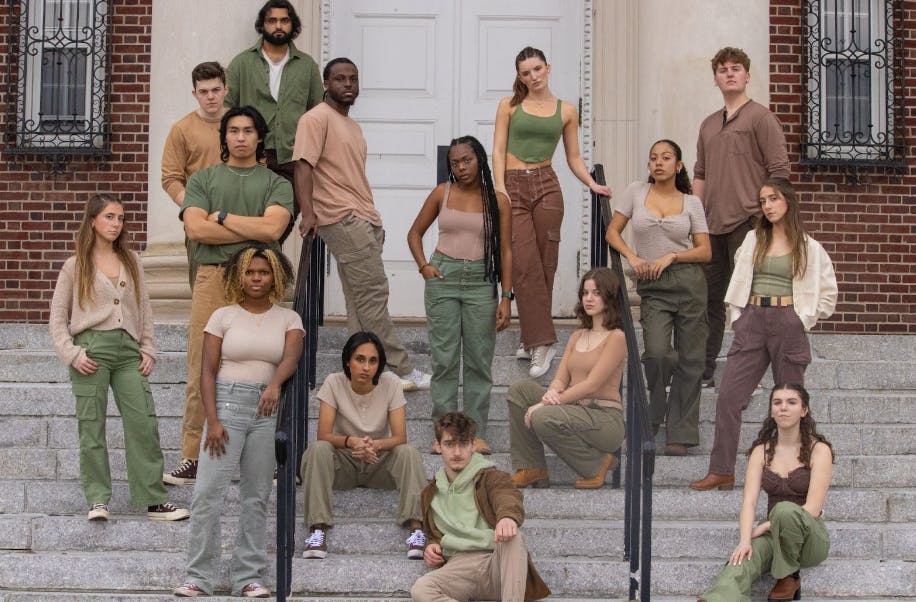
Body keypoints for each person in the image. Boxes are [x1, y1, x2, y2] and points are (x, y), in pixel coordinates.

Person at [164, 106, 294, 486]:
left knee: (265, 364)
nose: (240, 137)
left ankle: (265, 455)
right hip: (213, 278)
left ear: (259, 137)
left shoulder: (276, 184)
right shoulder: (203, 179)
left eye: (248, 131)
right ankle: (192, 455)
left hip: (260, 279)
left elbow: (273, 229)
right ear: (224, 137)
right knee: (201, 365)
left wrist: (220, 217)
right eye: (233, 130)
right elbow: (196, 230)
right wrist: (248, 231)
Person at [690, 178, 837, 492]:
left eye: (774, 199)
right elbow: (738, 280)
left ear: (788, 202)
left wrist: (802, 319)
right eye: (764, 201)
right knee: (728, 396)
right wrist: (739, 318)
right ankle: (722, 470)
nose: (768, 206)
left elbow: (828, 295)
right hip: (753, 321)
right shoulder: (752, 240)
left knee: (791, 401)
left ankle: (797, 469)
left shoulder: (809, 247)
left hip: (789, 322)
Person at [48, 194, 189, 523]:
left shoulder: (131, 260)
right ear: (93, 220)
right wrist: (71, 354)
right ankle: (98, 499)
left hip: (128, 352)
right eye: (109, 217)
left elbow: (145, 310)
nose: (116, 224)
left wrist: (149, 348)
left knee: (143, 423)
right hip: (91, 351)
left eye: (120, 218)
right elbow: (57, 319)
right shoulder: (75, 265)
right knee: (91, 427)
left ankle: (153, 499)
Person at [292, 57, 430, 391]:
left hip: (362, 217)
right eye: (340, 78)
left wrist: (373, 221)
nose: (348, 84)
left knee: (358, 301)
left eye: (353, 78)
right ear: (326, 84)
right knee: (373, 294)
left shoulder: (351, 125)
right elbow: (302, 166)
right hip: (340, 217)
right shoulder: (315, 118)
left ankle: (364, 367)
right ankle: (401, 367)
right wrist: (308, 212)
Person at [173, 245, 303, 598]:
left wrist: (275, 384)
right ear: (238, 276)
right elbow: (206, 371)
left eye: (263, 272)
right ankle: (199, 577)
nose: (256, 278)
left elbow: (291, 357)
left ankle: (248, 576)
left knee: (256, 496)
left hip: (265, 409)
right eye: (249, 272)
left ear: (274, 275)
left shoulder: (289, 319)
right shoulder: (222, 316)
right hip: (225, 408)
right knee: (206, 494)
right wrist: (212, 420)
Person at [492, 46, 611, 378]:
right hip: (513, 184)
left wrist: (592, 184)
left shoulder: (566, 110)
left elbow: (573, 156)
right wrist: (499, 187)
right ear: (520, 77)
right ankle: (542, 342)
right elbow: (498, 149)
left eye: (537, 69)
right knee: (525, 263)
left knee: (546, 262)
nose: (533, 77)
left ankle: (533, 338)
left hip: (547, 184)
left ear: (548, 68)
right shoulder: (509, 106)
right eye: (526, 73)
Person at [407, 135, 513, 454]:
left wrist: (506, 296)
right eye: (455, 162)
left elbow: (506, 250)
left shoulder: (498, 200)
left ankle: (475, 433)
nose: (461, 167)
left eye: (467, 160)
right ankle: (445, 434)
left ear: (479, 159)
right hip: (443, 277)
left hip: (482, 281)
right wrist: (423, 266)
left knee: (480, 360)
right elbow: (414, 233)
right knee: (445, 360)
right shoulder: (443, 192)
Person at [605, 139, 711, 456]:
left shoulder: (691, 203)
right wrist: (632, 258)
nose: (658, 163)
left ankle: (680, 432)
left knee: (691, 359)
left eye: (666, 158)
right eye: (653, 158)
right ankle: (658, 405)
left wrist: (674, 258)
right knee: (656, 352)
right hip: (653, 286)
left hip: (689, 282)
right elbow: (613, 232)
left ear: (678, 166)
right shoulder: (637, 191)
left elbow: (705, 251)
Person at [693, 46, 790, 388]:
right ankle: (704, 372)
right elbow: (700, 174)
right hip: (712, 227)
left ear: (747, 75)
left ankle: (745, 372)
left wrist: (770, 219)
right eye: (723, 70)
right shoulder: (707, 124)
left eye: (736, 68)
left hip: (749, 223)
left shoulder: (761, 118)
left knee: (748, 303)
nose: (730, 73)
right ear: (716, 78)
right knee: (709, 303)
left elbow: (779, 171)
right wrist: (695, 220)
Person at [697, 384, 833, 602]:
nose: (783, 408)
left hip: (810, 538)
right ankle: (719, 598)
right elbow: (749, 503)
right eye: (777, 402)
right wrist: (744, 540)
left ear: (804, 410)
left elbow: (813, 508)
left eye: (791, 402)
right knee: (741, 561)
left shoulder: (819, 450)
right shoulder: (761, 451)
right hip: (775, 536)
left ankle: (788, 575)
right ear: (771, 410)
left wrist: (765, 525)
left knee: (783, 511)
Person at [299, 331, 428, 560]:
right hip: (344, 462)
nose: (366, 367)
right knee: (318, 450)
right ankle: (318, 530)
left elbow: (400, 437)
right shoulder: (334, 382)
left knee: (409, 453)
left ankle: (417, 529)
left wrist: (375, 445)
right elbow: (323, 434)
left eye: (373, 361)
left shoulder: (390, 383)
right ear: (348, 361)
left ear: (379, 365)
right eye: (360, 359)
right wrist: (351, 442)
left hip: (378, 461)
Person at [506, 267, 627, 490]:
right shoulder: (577, 336)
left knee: (543, 417)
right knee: (519, 390)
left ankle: (596, 465)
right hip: (574, 409)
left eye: (596, 293)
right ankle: (532, 467)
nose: (589, 298)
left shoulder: (617, 337)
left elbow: (592, 385)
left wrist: (545, 403)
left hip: (604, 419)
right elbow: (561, 379)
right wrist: (552, 392)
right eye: (585, 292)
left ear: (609, 296)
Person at [411, 412, 551, 602]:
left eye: (463, 443)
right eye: (449, 444)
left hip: (495, 564)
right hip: (457, 568)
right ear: (438, 446)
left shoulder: (491, 477)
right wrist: (431, 546)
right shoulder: (430, 492)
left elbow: (507, 494)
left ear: (473, 445)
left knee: (514, 537)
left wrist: (507, 517)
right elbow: (433, 534)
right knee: (421, 589)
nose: (457, 452)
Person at [225, 0, 323, 205]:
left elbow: (319, 112)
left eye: (284, 20)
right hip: (253, 155)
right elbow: (226, 109)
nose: (278, 26)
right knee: (251, 211)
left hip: (295, 156)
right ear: (262, 25)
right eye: (272, 21)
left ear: (293, 25)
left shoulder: (307, 66)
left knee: (286, 214)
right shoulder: (242, 63)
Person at [161, 61, 228, 289]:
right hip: (201, 223)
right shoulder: (182, 129)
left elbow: (259, 168)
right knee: (203, 289)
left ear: (225, 90)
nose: (210, 97)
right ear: (195, 93)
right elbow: (170, 178)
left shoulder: (241, 125)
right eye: (204, 92)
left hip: (240, 220)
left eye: (216, 90)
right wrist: (193, 209)